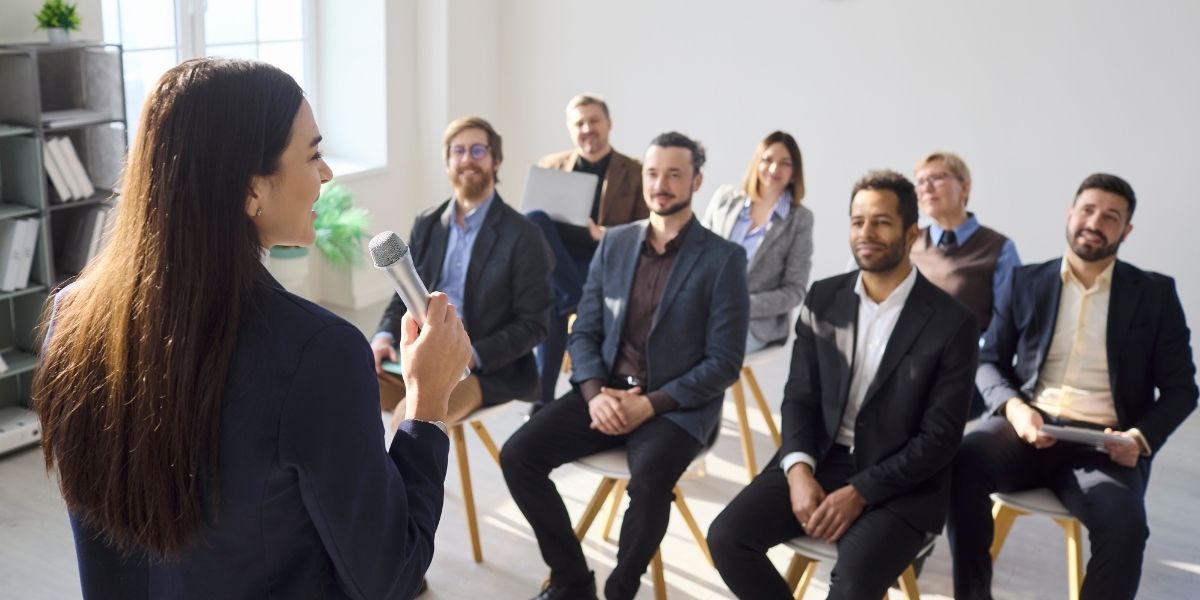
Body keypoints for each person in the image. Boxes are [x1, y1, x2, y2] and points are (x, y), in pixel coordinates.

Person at [32, 58, 471, 599]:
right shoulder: (318, 354)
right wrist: (426, 406)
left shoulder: (69, 320)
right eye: (312, 154)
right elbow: (389, 575)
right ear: (250, 189)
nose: (326, 174)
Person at [707, 170, 979, 599]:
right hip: (820, 457)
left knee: (851, 585)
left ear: (911, 234)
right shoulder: (823, 298)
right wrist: (797, 470)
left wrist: (861, 492)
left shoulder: (951, 322)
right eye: (857, 221)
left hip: (901, 482)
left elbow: (940, 439)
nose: (865, 233)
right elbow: (799, 397)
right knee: (727, 538)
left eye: (881, 222)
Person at [501, 132, 749, 600]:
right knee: (518, 456)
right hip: (606, 391)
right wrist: (595, 394)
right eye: (653, 173)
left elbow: (724, 362)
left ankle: (620, 590)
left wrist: (650, 405)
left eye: (675, 173)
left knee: (650, 481)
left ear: (696, 180)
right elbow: (585, 329)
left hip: (676, 405)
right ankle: (573, 579)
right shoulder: (615, 243)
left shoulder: (724, 259)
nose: (661, 183)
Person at [947, 173, 1198, 600]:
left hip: (1105, 443)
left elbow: (1182, 389)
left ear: (1127, 230)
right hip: (1028, 428)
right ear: (1070, 213)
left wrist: (1139, 438)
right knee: (960, 465)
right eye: (1087, 210)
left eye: (1111, 217)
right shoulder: (1026, 281)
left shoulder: (1154, 294)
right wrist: (1014, 408)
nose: (1095, 223)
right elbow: (987, 361)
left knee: (1127, 527)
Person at [370, 116, 554, 428]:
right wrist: (383, 336)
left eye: (478, 151)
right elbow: (402, 294)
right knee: (345, 391)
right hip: (414, 355)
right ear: (447, 162)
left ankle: (397, 479)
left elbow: (534, 324)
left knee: (409, 419)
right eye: (458, 151)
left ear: (496, 161)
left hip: (481, 369)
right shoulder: (427, 223)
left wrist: (470, 354)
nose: (467, 159)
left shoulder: (525, 235)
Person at [528, 94, 647, 411]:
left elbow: (648, 229)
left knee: (552, 303)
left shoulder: (636, 171)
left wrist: (605, 234)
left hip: (606, 262)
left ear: (609, 124)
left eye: (594, 120)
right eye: (579, 123)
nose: (587, 128)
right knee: (533, 219)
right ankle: (575, 300)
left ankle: (542, 402)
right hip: (562, 263)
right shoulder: (551, 166)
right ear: (570, 129)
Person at [910, 152, 1020, 417]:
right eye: (920, 181)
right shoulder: (908, 241)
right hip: (909, 364)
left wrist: (967, 352)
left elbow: (1007, 323)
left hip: (966, 368)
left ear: (965, 187)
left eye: (937, 177)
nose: (927, 187)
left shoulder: (998, 248)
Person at [702, 130, 813, 353]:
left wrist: (739, 304)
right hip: (704, 311)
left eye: (785, 163)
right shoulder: (725, 198)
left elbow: (794, 291)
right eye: (767, 160)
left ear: (794, 172)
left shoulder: (799, 219)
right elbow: (697, 256)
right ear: (756, 163)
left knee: (701, 353)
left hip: (754, 324)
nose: (774, 169)